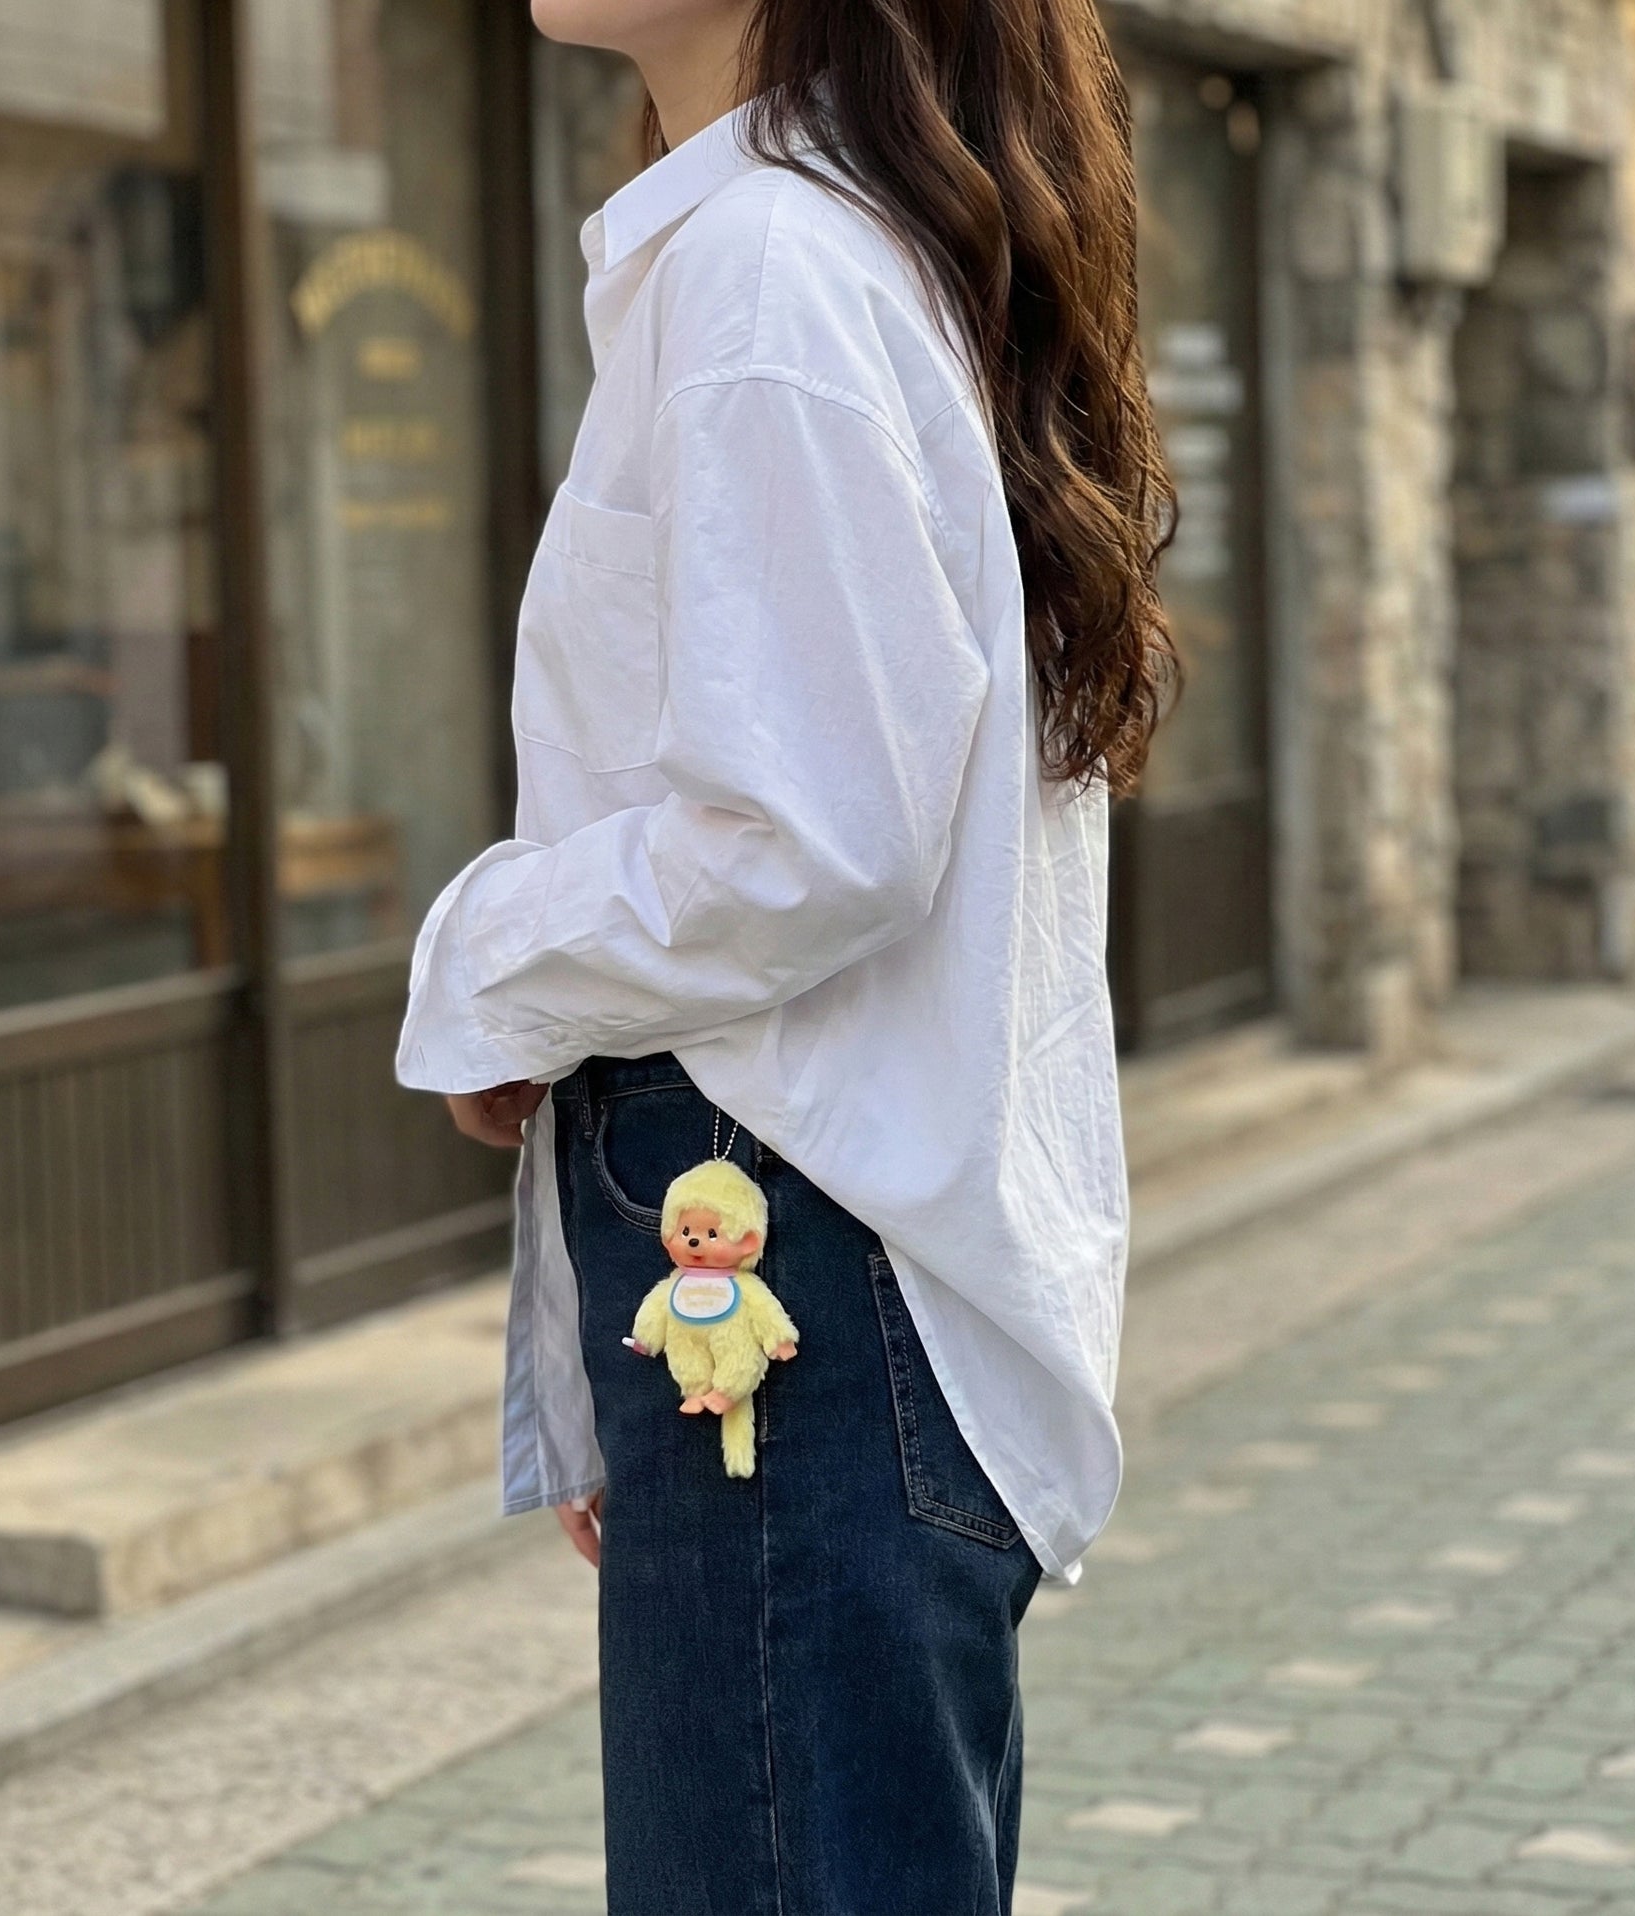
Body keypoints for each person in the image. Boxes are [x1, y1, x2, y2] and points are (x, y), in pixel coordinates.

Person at [397, 0, 1177, 1908]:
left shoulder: (768, 264)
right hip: (822, 1256)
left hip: (795, 1259)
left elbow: (808, 833)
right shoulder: (840, 245)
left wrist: (492, 962)